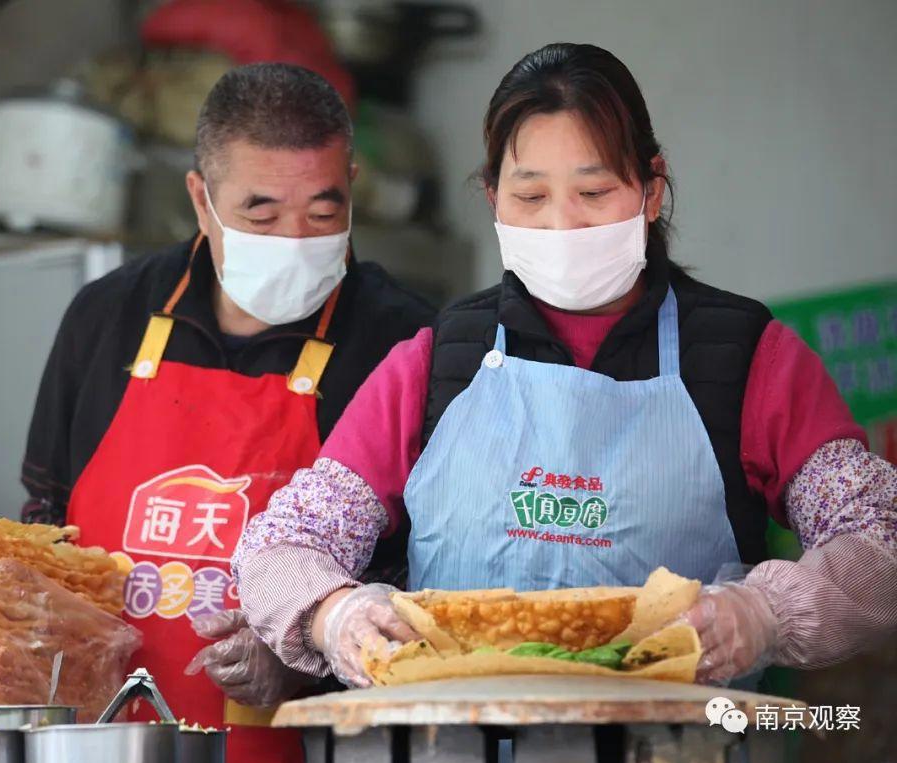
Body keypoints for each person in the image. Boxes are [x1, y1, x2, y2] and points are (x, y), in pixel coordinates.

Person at [233, 44, 897, 689]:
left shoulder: (751, 359)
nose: (563, 225)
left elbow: (880, 539)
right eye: (530, 198)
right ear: (493, 199)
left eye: (594, 191)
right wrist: (333, 614)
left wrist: (765, 613)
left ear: (651, 189)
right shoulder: (435, 363)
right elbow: (285, 544)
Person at [20, 63, 433, 763]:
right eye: (261, 213)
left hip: (311, 747)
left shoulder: (402, 344)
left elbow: (428, 576)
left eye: (324, 212)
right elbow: (41, 526)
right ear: (201, 201)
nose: (296, 237)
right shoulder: (107, 318)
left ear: (352, 190)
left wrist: (308, 656)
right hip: (101, 742)